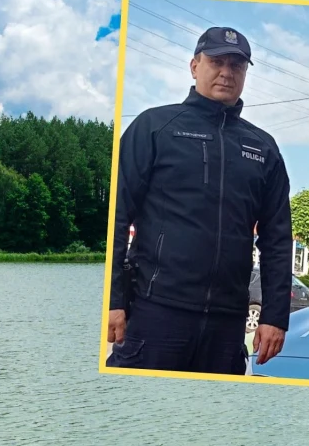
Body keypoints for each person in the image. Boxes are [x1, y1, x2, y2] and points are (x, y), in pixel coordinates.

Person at [106, 26, 293, 375]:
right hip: (156, 314)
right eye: (216, 61)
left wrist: (275, 316)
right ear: (194, 66)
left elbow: (278, 240)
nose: (226, 72)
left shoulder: (262, 148)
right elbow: (115, 216)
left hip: (227, 326)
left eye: (236, 65)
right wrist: (113, 299)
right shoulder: (155, 128)